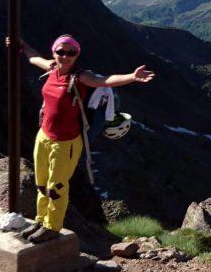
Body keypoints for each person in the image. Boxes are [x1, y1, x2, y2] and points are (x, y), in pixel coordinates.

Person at [10, 34, 154, 243]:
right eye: (61, 51)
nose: (65, 56)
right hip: (44, 136)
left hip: (66, 142)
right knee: (41, 182)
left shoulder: (80, 77)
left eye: (71, 52)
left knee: (56, 185)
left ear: (77, 55)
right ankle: (41, 220)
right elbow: (33, 58)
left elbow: (104, 80)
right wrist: (22, 45)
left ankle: (52, 226)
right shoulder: (51, 69)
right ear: (54, 52)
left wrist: (132, 76)